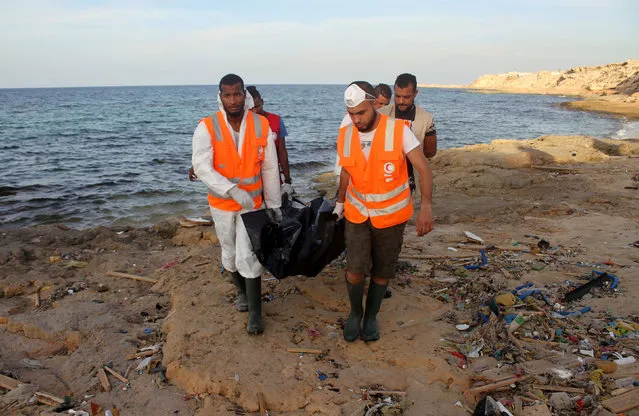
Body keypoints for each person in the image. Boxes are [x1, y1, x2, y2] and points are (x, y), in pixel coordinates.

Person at [332, 81, 434, 342]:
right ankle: (356, 313)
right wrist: (340, 203)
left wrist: (426, 207)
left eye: (361, 113)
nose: (356, 119)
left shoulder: (399, 131)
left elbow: (423, 168)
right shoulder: (346, 133)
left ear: (375, 105)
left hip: (391, 215)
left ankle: (371, 316)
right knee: (354, 269)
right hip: (357, 212)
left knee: (382, 270)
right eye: (351, 113)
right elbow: (346, 170)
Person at [191, 74, 282, 335]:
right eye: (228, 95)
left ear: (245, 95)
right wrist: (230, 189)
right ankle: (241, 292)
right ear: (220, 96)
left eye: (238, 94)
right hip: (222, 204)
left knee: (249, 254)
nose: (233, 100)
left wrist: (274, 203)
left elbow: (269, 167)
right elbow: (201, 166)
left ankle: (256, 313)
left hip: (253, 204)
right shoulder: (207, 127)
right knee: (230, 254)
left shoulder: (260, 125)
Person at [378, 73, 437, 192]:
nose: (401, 101)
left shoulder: (426, 119)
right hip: (383, 177)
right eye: (398, 96)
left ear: (415, 93)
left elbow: (430, 152)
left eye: (406, 97)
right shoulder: (380, 115)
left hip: (412, 180)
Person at [246, 86, 294, 196]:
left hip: (273, 176)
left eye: (257, 106)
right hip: (251, 179)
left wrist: (287, 180)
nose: (255, 111)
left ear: (262, 102)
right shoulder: (244, 124)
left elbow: (282, 152)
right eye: (251, 108)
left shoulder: (276, 120)